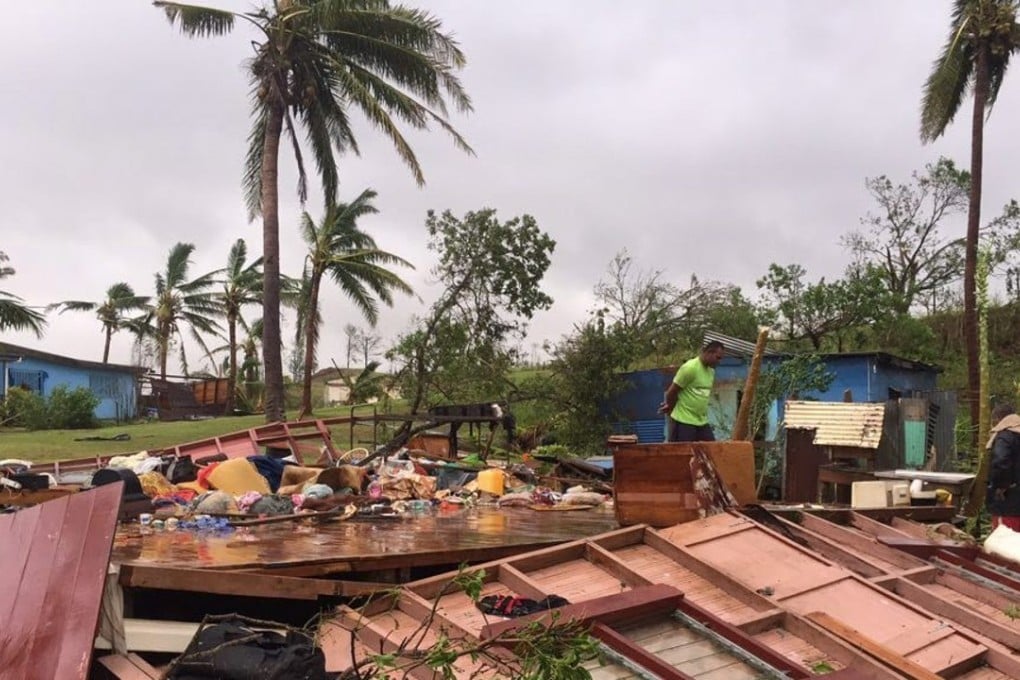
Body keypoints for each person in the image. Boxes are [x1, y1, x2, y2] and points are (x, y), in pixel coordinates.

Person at [658, 341, 725, 442]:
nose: (719, 361)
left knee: (710, 452)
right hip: (684, 420)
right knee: (684, 454)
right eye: (718, 357)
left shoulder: (711, 371)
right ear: (709, 352)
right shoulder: (690, 368)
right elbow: (672, 391)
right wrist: (670, 407)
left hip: (701, 421)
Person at [988, 402, 1020, 531]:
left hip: (1009, 503)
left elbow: (1001, 461)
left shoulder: (1005, 437)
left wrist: (1001, 486)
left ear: (998, 419)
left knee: (1003, 540)